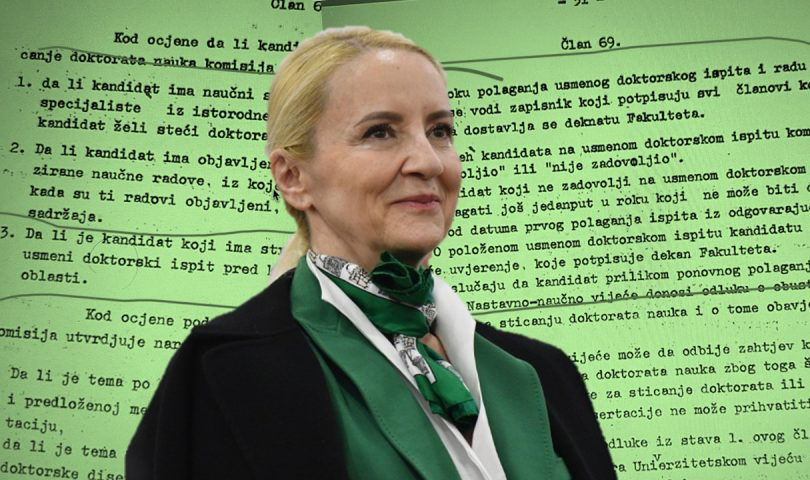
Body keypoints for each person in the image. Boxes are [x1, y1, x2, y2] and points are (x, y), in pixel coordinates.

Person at [126, 26, 615, 479]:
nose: (428, 161)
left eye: (440, 131)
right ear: (293, 178)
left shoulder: (547, 374)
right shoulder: (223, 375)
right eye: (379, 132)